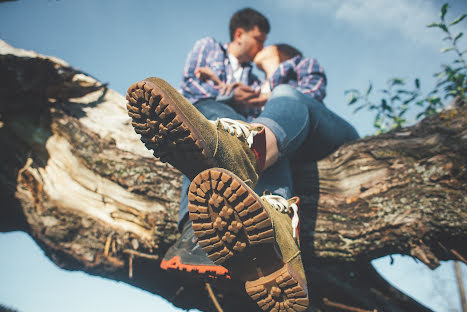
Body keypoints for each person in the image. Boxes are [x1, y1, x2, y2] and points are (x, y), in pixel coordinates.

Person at [125, 12, 358, 312]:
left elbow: (308, 95)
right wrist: (235, 95)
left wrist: (272, 72)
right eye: (260, 40)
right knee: (218, 119)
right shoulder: (213, 50)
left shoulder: (298, 66)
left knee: (275, 103)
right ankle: (278, 237)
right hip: (259, 129)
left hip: (325, 135)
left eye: (267, 46)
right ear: (240, 33)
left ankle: (235, 166)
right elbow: (195, 89)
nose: (263, 47)